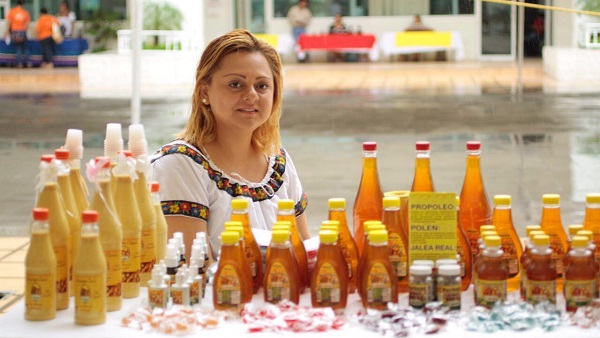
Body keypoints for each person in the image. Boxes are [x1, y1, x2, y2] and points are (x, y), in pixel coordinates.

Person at [151, 29, 311, 262]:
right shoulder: (180, 165)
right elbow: (193, 272)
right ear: (205, 91)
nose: (251, 95)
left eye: (262, 86)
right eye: (236, 84)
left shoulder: (279, 163)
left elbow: (306, 252)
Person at [5, 1, 31, 68]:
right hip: (23, 31)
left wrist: (7, 32)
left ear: (16, 5)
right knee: (26, 48)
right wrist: (24, 31)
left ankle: (20, 64)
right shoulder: (25, 12)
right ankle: (28, 63)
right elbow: (27, 25)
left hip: (15, 31)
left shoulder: (12, 11)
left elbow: (9, 23)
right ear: (22, 5)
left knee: (18, 48)